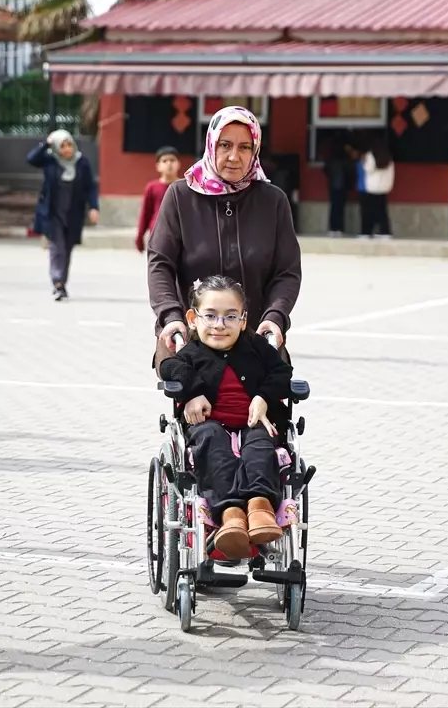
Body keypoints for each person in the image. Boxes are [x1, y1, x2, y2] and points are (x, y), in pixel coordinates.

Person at [148, 105, 302, 369]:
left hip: (255, 336)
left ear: (255, 151)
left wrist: (275, 318)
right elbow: (160, 263)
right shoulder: (180, 197)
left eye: (244, 147)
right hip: (190, 336)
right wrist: (171, 317)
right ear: (211, 145)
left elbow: (287, 271)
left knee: (270, 396)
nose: (234, 156)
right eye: (225, 145)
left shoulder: (273, 201)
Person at [158, 275, 292, 559]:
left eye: (230, 317)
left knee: (260, 446)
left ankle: (260, 508)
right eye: (211, 316)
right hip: (209, 427)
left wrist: (263, 398)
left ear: (243, 320)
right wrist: (192, 393)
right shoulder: (190, 354)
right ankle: (230, 516)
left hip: (254, 422)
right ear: (193, 318)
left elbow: (282, 372)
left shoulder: (255, 347)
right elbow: (170, 367)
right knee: (213, 445)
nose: (220, 325)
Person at [27, 129, 100, 301]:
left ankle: (62, 282)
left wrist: (94, 207)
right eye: (63, 145)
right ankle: (57, 282)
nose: (67, 149)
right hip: (53, 213)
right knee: (56, 247)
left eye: (69, 144)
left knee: (67, 248)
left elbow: (91, 187)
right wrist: (47, 143)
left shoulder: (82, 162)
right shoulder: (50, 160)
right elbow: (31, 159)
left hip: (74, 213)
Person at [135, 146, 179, 253]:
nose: (169, 164)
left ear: (178, 164)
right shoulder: (152, 187)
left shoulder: (184, 186)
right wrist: (140, 237)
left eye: (172, 160)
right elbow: (145, 213)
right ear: (158, 166)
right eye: (164, 161)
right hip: (158, 234)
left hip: (180, 234)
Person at [359, 136, 395, 239]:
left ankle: (366, 232)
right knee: (382, 211)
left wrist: (363, 161)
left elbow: (368, 169)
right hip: (384, 187)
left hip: (372, 187)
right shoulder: (388, 156)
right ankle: (385, 232)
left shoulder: (370, 155)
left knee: (368, 211)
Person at [322, 135, 357, 237]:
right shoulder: (346, 159)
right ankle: (339, 228)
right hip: (343, 186)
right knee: (340, 208)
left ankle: (333, 228)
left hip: (333, 185)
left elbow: (326, 170)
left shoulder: (331, 158)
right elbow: (350, 172)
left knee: (334, 207)